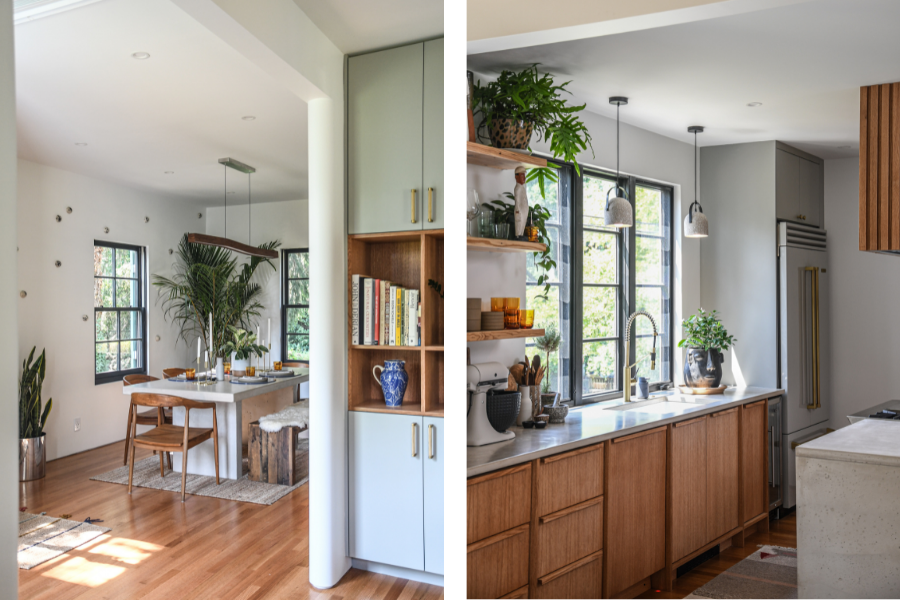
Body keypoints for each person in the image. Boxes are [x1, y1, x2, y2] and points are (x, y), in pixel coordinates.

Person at [513, 166, 528, 238]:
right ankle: (518, 235)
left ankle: (521, 234)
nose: (524, 178)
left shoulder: (522, 187)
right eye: (522, 175)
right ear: (516, 177)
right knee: (519, 224)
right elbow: (517, 201)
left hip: (523, 210)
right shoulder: (517, 188)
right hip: (520, 210)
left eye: (524, 176)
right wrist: (518, 210)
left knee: (522, 224)